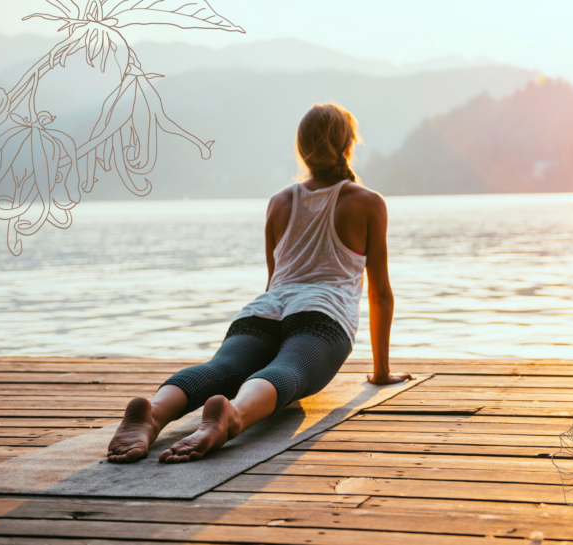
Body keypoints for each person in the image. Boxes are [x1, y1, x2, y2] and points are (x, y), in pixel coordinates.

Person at [106, 103, 412, 464]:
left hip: (263, 311)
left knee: (219, 369)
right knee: (286, 372)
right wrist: (380, 372)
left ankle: (154, 412)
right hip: (322, 316)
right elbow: (379, 293)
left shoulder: (280, 202)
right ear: (349, 145)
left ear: (301, 149)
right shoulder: (367, 202)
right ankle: (232, 416)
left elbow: (274, 279)